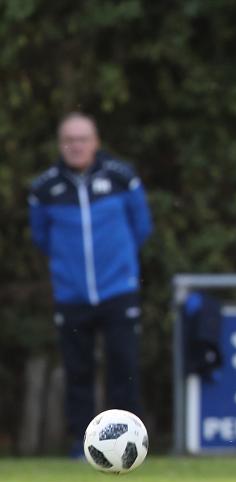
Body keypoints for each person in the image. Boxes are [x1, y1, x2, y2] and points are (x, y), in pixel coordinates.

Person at [28, 112, 153, 455]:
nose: (76, 146)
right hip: (72, 294)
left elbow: (141, 227)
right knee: (78, 370)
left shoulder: (122, 177)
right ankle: (83, 444)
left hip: (118, 289)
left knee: (123, 366)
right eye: (69, 140)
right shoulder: (45, 188)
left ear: (95, 142)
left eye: (82, 139)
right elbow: (41, 238)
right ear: (60, 144)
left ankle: (132, 442)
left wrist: (120, 264)